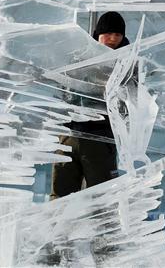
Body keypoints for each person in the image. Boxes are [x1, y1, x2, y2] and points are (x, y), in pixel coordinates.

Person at [50, 11, 129, 199]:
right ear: (97, 35)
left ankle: (101, 229)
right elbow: (62, 90)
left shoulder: (126, 63)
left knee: (101, 198)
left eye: (117, 35)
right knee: (61, 195)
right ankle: (58, 229)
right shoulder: (79, 57)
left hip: (100, 138)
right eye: (108, 33)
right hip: (69, 134)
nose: (112, 39)